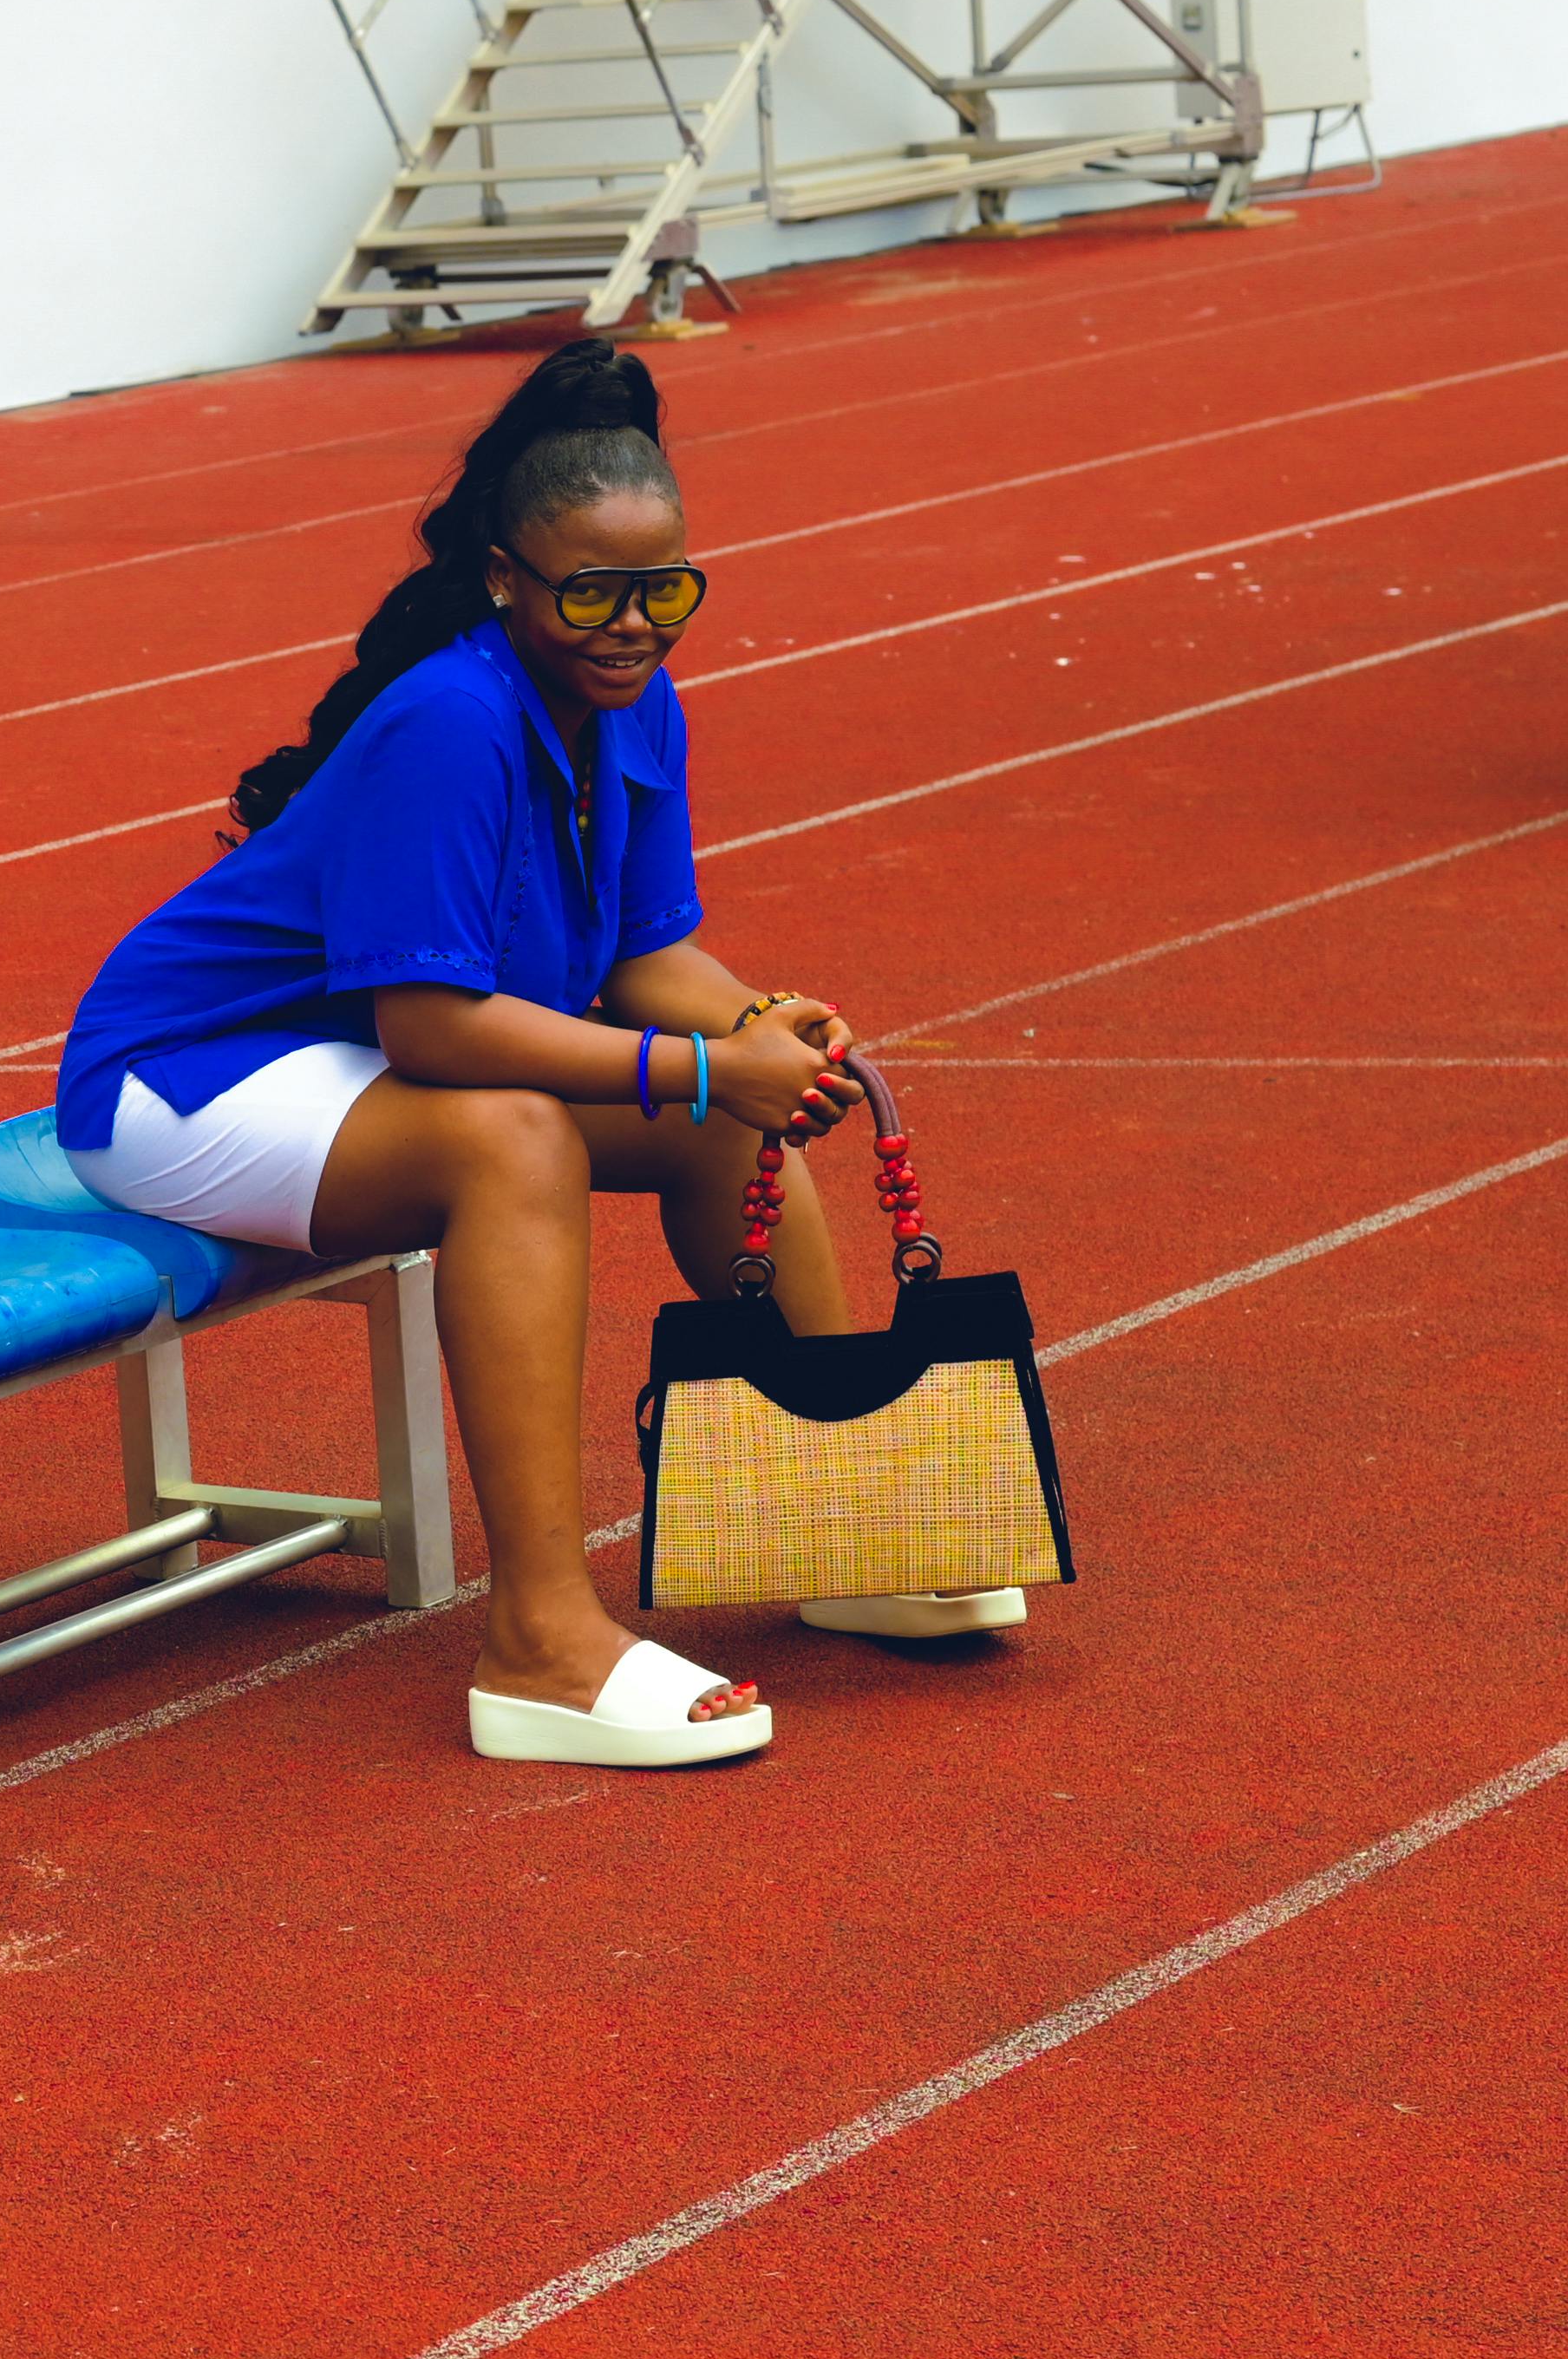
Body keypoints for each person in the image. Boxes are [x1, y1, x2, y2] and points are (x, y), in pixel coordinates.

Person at [56, 339, 1016, 1769]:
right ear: (507, 576)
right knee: (515, 1137)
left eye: (665, 589)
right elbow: (429, 1030)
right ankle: (542, 1642)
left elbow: (645, 957)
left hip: (345, 1069)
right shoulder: (451, 718)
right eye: (591, 591)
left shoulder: (633, 702)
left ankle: (845, 1530)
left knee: (725, 1125)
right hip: (188, 1077)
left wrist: (759, 1038)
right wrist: (700, 1067)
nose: (633, 625)